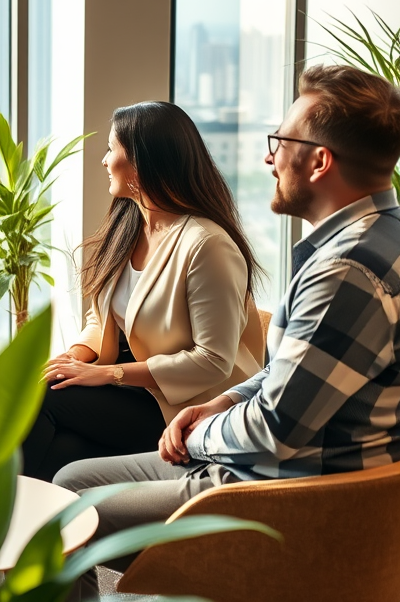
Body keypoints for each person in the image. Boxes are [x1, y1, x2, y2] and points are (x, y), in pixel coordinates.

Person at [55, 65, 400, 600]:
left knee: (66, 508)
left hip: (286, 493)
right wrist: (220, 404)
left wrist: (198, 435)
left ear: (319, 161)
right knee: (70, 478)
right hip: (292, 465)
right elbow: (289, 376)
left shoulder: (345, 272)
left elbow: (275, 431)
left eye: (279, 141)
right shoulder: (378, 241)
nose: (269, 158)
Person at [21, 101, 265, 482]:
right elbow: (100, 317)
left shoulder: (207, 245)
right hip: (141, 396)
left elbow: (213, 360)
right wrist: (75, 357)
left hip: (188, 408)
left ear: (140, 162)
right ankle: (32, 532)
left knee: (43, 398)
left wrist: (109, 374)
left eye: (111, 149)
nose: (103, 160)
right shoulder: (130, 227)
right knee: (62, 450)